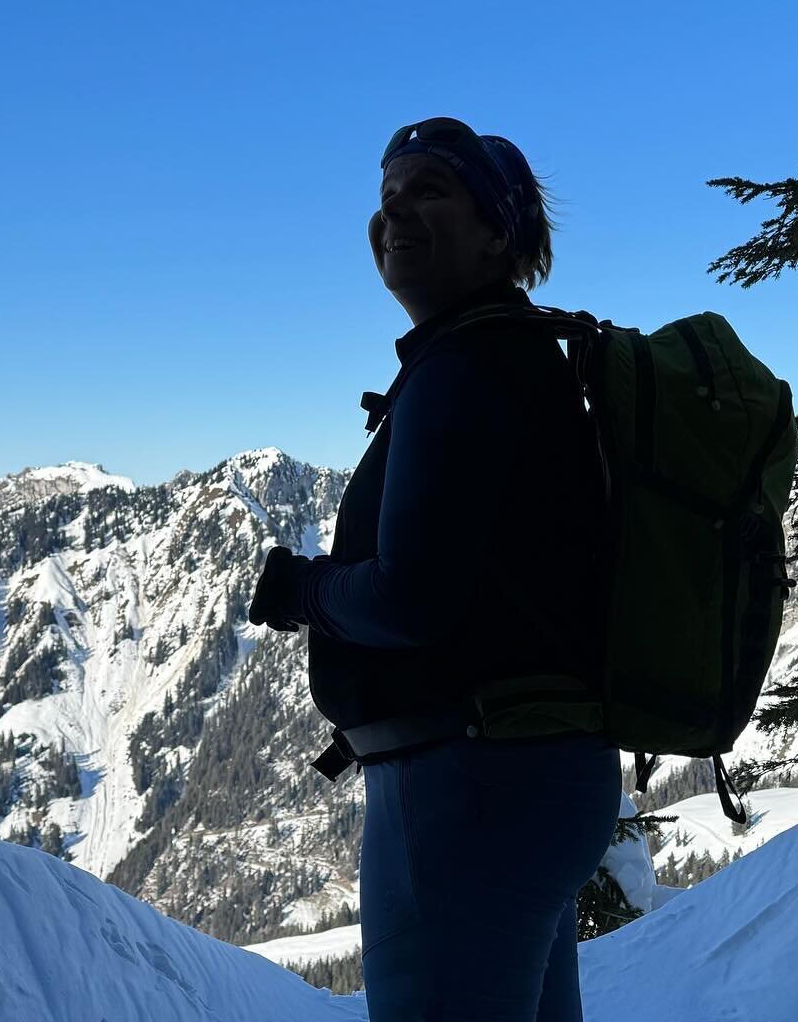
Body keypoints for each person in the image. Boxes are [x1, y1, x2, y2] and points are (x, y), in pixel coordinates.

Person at [249, 117, 621, 1022]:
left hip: (467, 789)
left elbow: (412, 598)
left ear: (498, 231)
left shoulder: (466, 368)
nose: (397, 213)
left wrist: (303, 591)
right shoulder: (516, 354)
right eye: (387, 198)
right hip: (541, 775)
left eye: (430, 191)